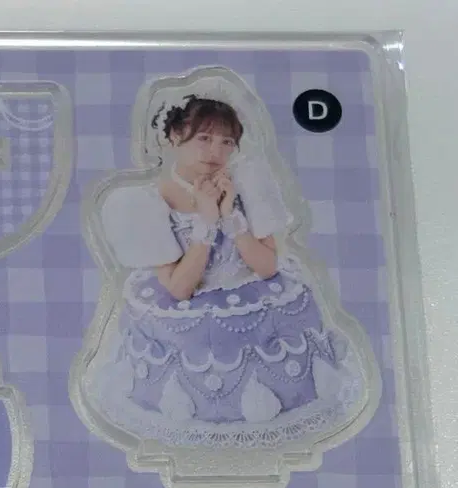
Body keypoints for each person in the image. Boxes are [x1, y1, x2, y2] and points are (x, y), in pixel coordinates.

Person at [96, 94, 360, 437]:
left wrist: (230, 216)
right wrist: (206, 222)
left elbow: (267, 267)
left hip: (251, 290)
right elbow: (179, 288)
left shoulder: (246, 183)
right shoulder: (149, 200)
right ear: (175, 136)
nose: (215, 152)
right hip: (189, 301)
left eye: (226, 142)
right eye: (204, 138)